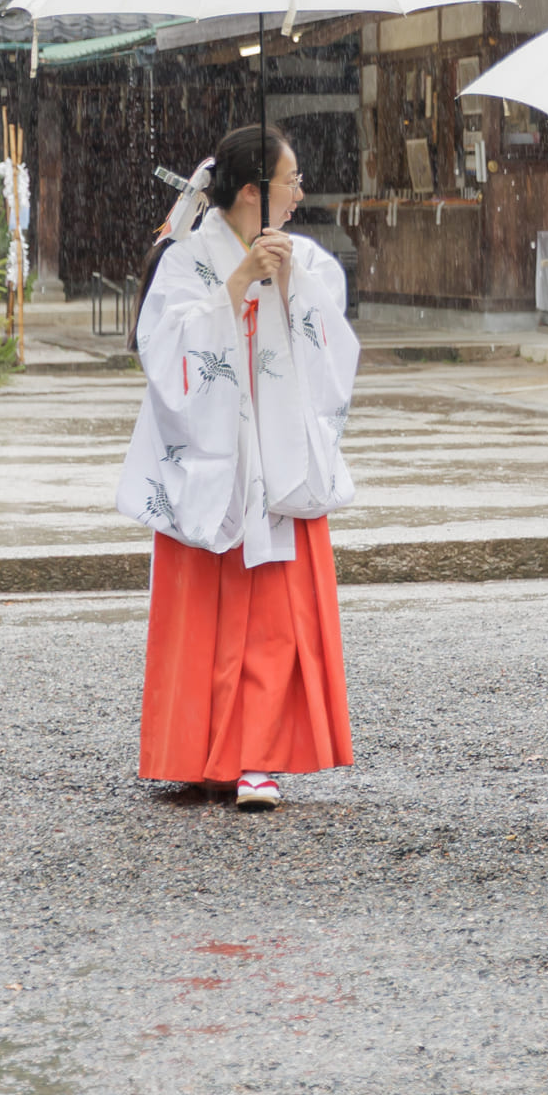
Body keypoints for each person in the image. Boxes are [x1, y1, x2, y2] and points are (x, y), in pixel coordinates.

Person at [116, 123, 360, 810]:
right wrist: (233, 289)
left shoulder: (304, 258)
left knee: (270, 621)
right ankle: (200, 755)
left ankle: (257, 756)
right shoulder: (186, 259)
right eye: (291, 181)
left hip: (273, 457)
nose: (299, 193)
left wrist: (285, 288)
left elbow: (329, 352)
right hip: (216, 458)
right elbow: (163, 353)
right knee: (211, 618)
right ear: (253, 190)